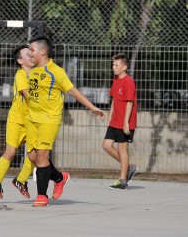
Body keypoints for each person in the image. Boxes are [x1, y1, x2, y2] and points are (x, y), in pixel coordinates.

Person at [27, 36, 105, 207]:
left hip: (49, 119)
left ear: (43, 51)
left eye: (32, 50)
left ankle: (42, 196)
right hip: (32, 119)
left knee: (41, 156)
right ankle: (59, 177)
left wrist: (92, 107)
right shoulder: (33, 71)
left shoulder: (56, 71)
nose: (29, 53)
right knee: (32, 156)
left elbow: (72, 90)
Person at [0, 45, 35, 199]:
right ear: (20, 60)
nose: (31, 56)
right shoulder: (21, 74)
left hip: (32, 120)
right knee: (11, 152)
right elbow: (27, 94)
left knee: (35, 155)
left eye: (31, 53)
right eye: (27, 54)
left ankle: (20, 180)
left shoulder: (39, 73)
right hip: (16, 120)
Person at [102, 53, 138, 189]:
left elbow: (130, 103)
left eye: (116, 65)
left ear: (124, 67)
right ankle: (128, 166)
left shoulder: (128, 81)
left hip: (125, 121)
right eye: (113, 65)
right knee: (106, 146)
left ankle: (123, 180)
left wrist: (126, 122)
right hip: (115, 120)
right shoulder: (116, 80)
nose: (113, 67)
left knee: (121, 148)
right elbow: (114, 100)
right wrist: (111, 116)